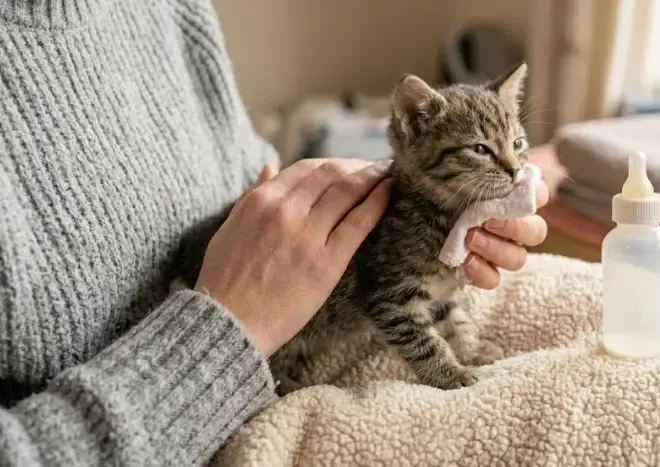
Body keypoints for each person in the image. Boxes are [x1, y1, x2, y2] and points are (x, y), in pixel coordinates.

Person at [0, 1, 549, 465]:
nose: (509, 166)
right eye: (483, 150)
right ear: (413, 126)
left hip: (296, 321)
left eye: (515, 146)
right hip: (199, 378)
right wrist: (230, 324)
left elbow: (250, 173)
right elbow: (395, 305)